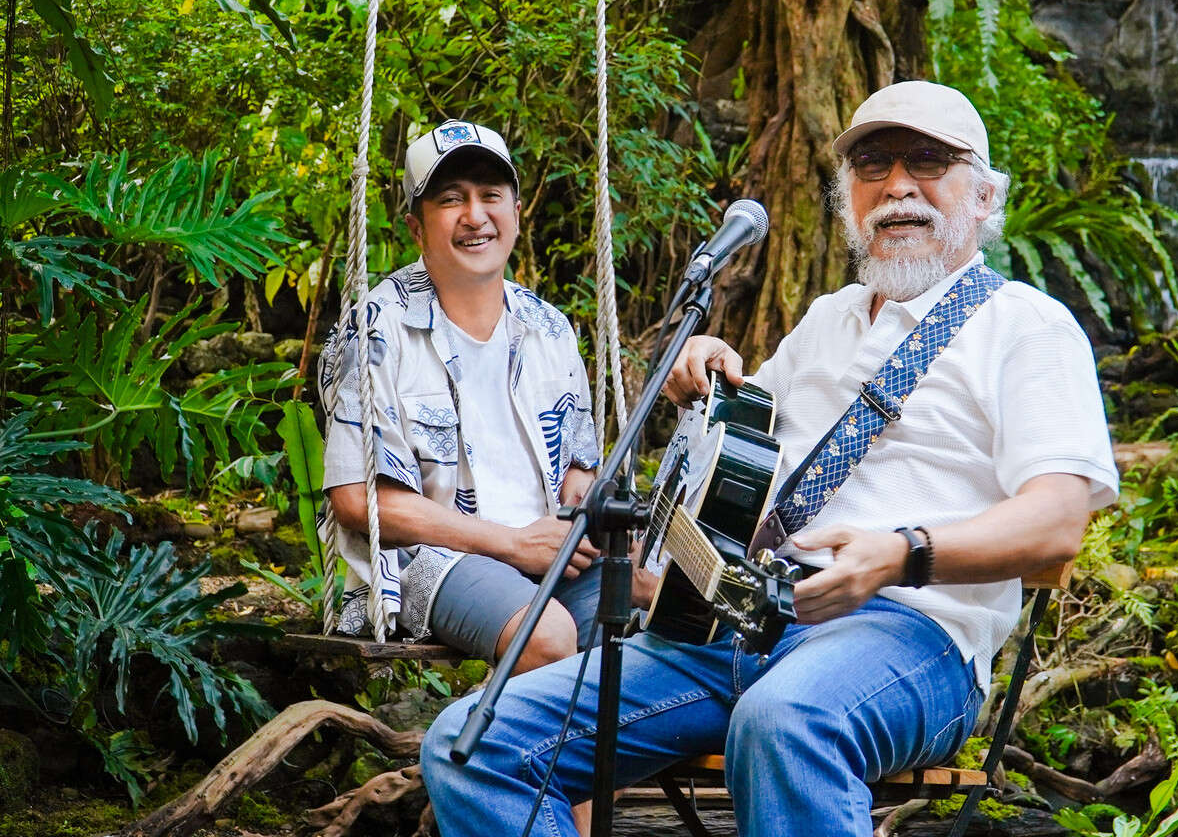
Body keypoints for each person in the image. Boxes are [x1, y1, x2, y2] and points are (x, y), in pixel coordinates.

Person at [419, 81, 1120, 836]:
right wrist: (707, 369)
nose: (897, 186)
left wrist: (898, 554)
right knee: (474, 746)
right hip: (737, 628)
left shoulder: (1026, 327)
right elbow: (747, 453)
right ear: (848, 197)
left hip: (911, 637)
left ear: (983, 197)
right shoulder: (828, 319)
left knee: (784, 718)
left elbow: (1056, 522)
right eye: (872, 165)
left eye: (928, 162)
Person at [318, 119, 602, 674]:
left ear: (516, 213)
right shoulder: (377, 329)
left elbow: (580, 465)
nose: (475, 216)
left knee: (641, 625)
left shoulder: (550, 328)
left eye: (490, 196)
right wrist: (510, 544)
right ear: (416, 228)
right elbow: (355, 499)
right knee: (547, 637)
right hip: (434, 560)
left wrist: (573, 523)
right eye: (451, 199)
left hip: (549, 554)